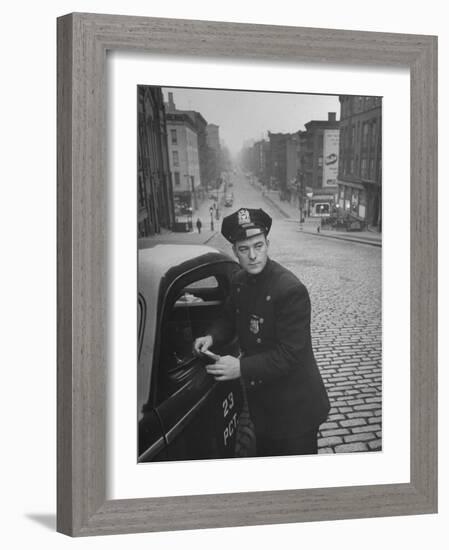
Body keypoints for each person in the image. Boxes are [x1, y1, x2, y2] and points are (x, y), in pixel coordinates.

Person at [193, 207, 330, 457]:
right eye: (244, 249)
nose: (253, 256)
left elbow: (290, 354)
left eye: (258, 246)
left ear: (267, 244)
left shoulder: (289, 290)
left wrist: (240, 368)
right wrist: (211, 336)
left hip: (295, 409)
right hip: (263, 406)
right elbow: (228, 318)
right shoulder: (239, 282)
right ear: (235, 252)